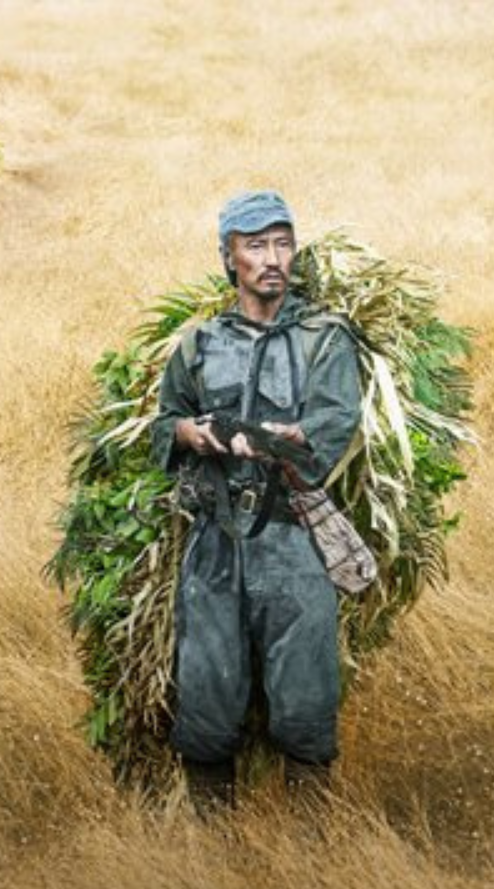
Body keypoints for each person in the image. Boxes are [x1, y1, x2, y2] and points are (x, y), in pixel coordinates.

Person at [149, 190, 363, 815]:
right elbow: (167, 421)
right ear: (229, 258)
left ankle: (310, 859)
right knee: (208, 708)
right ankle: (215, 858)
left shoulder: (326, 339)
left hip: (295, 540)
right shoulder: (198, 343)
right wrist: (189, 434)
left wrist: (294, 443)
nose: (272, 258)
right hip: (215, 545)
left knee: (305, 704)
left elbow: (335, 422)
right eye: (255, 245)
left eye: (282, 243)